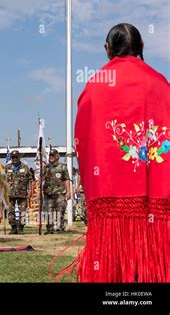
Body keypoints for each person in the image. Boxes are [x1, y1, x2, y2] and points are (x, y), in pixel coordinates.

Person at [73, 23, 169, 282]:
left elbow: (83, 141)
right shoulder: (161, 85)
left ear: (107, 49)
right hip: (155, 203)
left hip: (110, 205)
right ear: (141, 48)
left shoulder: (94, 88)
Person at [43, 149, 70, 234]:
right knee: (49, 211)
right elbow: (40, 178)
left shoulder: (62, 167)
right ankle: (49, 228)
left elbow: (66, 179)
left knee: (60, 210)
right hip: (48, 193)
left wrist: (68, 192)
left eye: (53, 156)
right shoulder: (45, 167)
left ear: (57, 157)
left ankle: (60, 227)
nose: (51, 157)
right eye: (50, 156)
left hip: (60, 193)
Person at [5, 150, 32, 235]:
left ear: (19, 157)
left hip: (22, 193)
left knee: (23, 211)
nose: (15, 159)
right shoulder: (7, 167)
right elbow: (3, 180)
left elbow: (30, 179)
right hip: (10, 193)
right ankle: (13, 228)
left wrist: (30, 190)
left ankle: (21, 228)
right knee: (10, 211)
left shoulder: (24, 167)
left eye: (16, 157)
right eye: (13, 157)